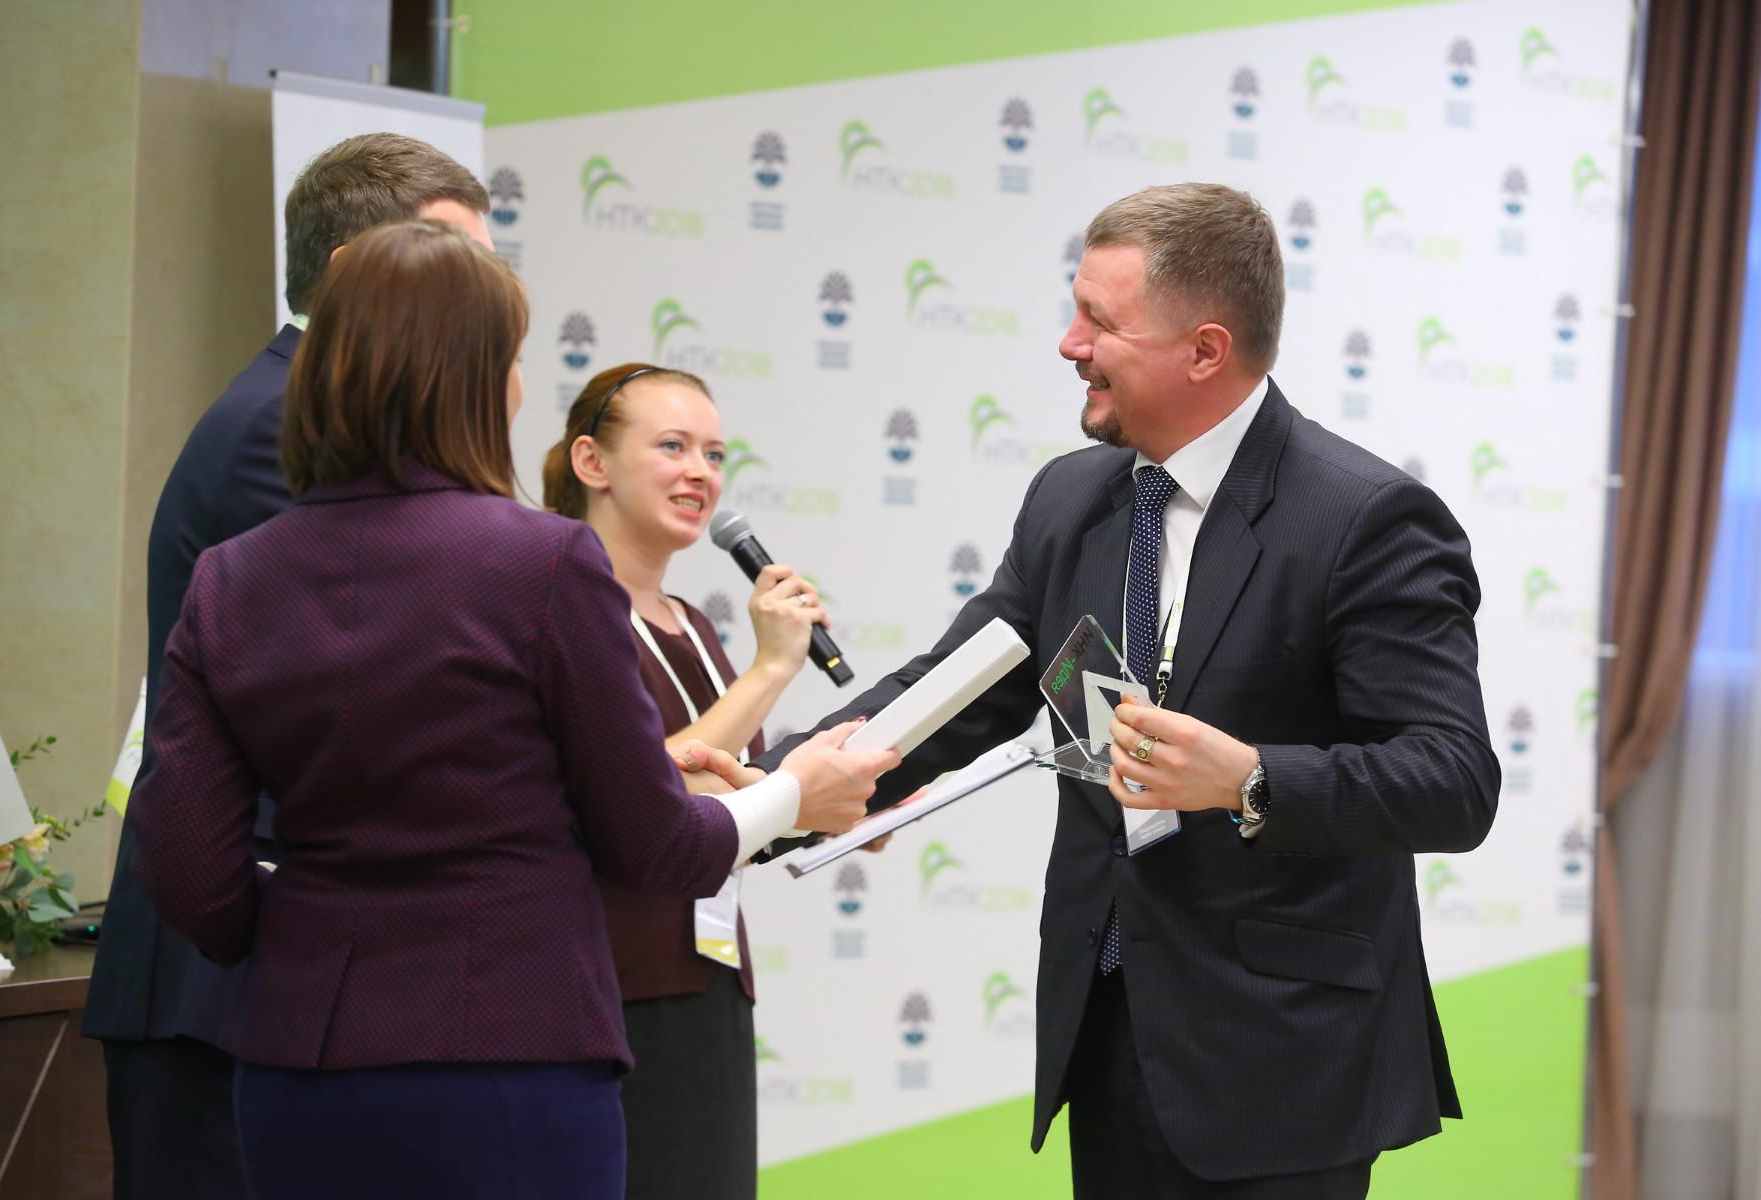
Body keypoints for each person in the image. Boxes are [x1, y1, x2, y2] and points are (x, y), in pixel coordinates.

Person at [125, 219, 899, 1200]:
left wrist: (318, 934)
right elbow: (652, 842)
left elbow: (187, 868)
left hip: (295, 1062)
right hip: (508, 1061)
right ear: (475, 378)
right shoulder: (542, 563)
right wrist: (794, 793)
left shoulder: (230, 580)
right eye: (514, 358)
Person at [762, 183, 1500, 1198]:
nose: (1069, 344)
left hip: (1283, 1061)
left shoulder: (1366, 519)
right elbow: (958, 688)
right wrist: (770, 793)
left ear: (1204, 351)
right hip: (1108, 1030)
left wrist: (1249, 778)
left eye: (1098, 322)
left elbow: (1452, 780)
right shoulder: (1072, 497)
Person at [83, 131, 499, 1199]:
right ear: (361, 271)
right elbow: (371, 708)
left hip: (274, 972)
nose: (487, 299)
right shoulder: (287, 426)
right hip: (223, 975)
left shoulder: (309, 412)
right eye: (453, 261)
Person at [542, 363, 833, 1199]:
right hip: (607, 983)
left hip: (708, 976)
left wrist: (829, 808)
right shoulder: (566, 608)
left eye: (714, 454)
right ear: (592, 462)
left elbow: (728, 797)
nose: (700, 473)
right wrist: (770, 670)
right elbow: (639, 790)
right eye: (672, 447)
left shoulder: (693, 624)